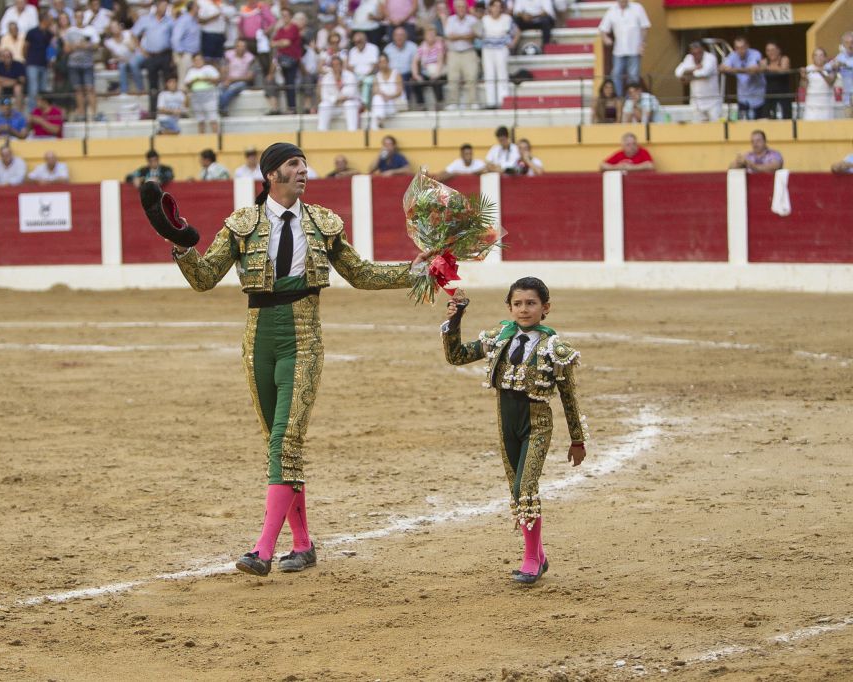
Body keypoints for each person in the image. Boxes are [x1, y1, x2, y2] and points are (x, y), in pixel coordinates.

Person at [139, 142, 430, 577]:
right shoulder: (243, 223)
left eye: (304, 165)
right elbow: (204, 279)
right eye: (294, 165)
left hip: (303, 338)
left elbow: (361, 272)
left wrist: (414, 269)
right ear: (271, 174)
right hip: (258, 339)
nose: (303, 171)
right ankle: (303, 544)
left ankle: (262, 549)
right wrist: (179, 245)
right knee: (278, 446)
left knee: (285, 442)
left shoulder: (323, 222)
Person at [441, 277, 587, 584]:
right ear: (509, 307)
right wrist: (455, 321)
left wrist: (577, 440)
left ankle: (531, 558)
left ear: (545, 308)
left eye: (531, 303)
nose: (524, 309)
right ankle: (539, 555)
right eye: (518, 304)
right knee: (515, 491)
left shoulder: (554, 348)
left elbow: (568, 397)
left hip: (537, 424)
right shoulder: (499, 338)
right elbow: (457, 356)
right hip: (505, 423)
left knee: (525, 488)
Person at [598, 0, 649, 97]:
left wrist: (642, 43)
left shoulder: (637, 8)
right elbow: (602, 29)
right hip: (618, 51)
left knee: (633, 76)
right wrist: (605, 38)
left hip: (634, 49)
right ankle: (619, 99)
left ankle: (631, 100)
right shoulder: (612, 10)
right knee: (616, 75)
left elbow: (645, 27)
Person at [132, 0, 173, 117]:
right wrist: (141, 50)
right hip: (151, 55)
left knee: (168, 83)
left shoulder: (169, 21)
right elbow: (133, 34)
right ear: (156, 6)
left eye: (166, 5)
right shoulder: (145, 20)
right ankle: (153, 111)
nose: (165, 8)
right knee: (153, 86)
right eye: (163, 5)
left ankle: (169, 110)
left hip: (165, 54)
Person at [65, 9, 99, 121]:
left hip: (87, 63)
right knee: (78, 89)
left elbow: (96, 46)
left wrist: (83, 46)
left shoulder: (91, 30)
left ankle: (94, 114)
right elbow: (66, 48)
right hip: (74, 64)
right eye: (77, 16)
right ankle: (81, 114)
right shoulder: (70, 31)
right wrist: (77, 46)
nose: (79, 18)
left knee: (90, 88)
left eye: (81, 16)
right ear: (74, 18)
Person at [720, 37, 766, 120]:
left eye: (742, 47)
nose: (740, 50)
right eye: (737, 48)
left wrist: (734, 70)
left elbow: (753, 70)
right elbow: (722, 68)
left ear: (747, 46)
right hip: (743, 98)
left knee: (760, 123)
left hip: (758, 97)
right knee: (743, 123)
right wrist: (740, 70)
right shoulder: (733, 55)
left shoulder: (755, 53)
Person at [444, 0, 478, 110]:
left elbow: (474, 36)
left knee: (471, 77)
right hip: (454, 53)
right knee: (452, 78)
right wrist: (465, 36)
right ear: (455, 8)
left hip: (469, 51)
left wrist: (458, 36)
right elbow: (449, 37)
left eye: (463, 6)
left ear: (466, 8)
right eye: (458, 7)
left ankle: (472, 102)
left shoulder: (472, 19)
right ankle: (453, 102)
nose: (461, 9)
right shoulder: (450, 20)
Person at [480, 0, 515, 109]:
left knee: (502, 74)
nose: (496, 9)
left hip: (501, 49)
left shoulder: (507, 18)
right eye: (494, 6)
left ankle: (502, 101)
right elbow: (479, 34)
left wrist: (512, 43)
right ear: (490, 8)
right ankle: (491, 102)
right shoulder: (484, 19)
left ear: (501, 8)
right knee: (489, 74)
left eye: (498, 6)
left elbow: (516, 31)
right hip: (487, 49)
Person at [675, 41, 720, 122]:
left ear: (703, 50)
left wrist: (688, 75)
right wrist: (695, 68)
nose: (696, 55)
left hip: (712, 102)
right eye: (694, 53)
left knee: (716, 128)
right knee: (698, 130)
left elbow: (704, 73)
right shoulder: (689, 58)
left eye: (699, 53)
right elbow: (678, 73)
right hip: (696, 102)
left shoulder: (710, 58)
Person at [271, 7, 303, 114]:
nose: (284, 17)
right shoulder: (280, 29)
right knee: (284, 83)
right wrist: (281, 42)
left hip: (292, 59)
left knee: (290, 83)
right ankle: (285, 107)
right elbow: (273, 43)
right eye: (283, 15)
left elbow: (287, 43)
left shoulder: (294, 27)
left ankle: (292, 107)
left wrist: (279, 43)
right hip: (282, 60)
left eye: (286, 15)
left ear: (290, 16)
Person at [317, 55, 360, 130]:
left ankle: (353, 132)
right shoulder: (326, 78)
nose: (336, 67)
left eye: (338, 65)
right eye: (333, 65)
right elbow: (324, 96)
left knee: (349, 104)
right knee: (323, 105)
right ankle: (322, 131)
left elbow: (351, 93)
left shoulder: (350, 75)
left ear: (342, 65)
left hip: (348, 103)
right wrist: (336, 99)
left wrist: (338, 98)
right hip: (334, 105)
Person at [24, 12, 54, 112]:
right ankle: (32, 112)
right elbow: (25, 47)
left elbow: (51, 48)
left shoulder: (49, 34)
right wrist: (27, 59)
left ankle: (42, 111)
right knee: (33, 89)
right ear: (44, 20)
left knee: (43, 90)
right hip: (32, 63)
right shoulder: (32, 32)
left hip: (44, 64)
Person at [410, 24, 445, 110]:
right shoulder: (422, 46)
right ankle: (421, 105)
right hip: (426, 72)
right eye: (429, 34)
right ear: (425, 36)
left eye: (433, 34)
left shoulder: (439, 45)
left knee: (437, 81)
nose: (431, 36)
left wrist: (436, 74)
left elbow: (440, 60)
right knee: (414, 81)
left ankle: (439, 103)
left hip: (437, 71)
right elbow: (414, 62)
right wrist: (416, 75)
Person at [184, 53, 220, 133]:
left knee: (213, 118)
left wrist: (205, 78)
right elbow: (187, 84)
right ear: (193, 61)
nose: (198, 61)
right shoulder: (191, 71)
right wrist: (194, 80)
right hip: (196, 97)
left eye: (200, 59)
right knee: (200, 120)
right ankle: (201, 140)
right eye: (196, 60)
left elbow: (217, 79)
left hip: (209, 96)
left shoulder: (209, 68)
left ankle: (216, 138)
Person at [369, 53, 406, 129]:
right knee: (377, 98)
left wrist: (388, 97)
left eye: (384, 61)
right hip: (383, 104)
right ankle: (379, 121)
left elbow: (399, 92)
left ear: (388, 62)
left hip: (394, 103)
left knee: (377, 103)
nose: (382, 64)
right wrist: (383, 96)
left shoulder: (396, 73)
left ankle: (377, 124)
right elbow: (375, 91)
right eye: (380, 62)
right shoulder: (377, 76)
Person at [219, 39, 256, 115]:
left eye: (243, 46)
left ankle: (220, 107)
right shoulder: (227, 55)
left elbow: (250, 77)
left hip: (242, 82)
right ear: (235, 47)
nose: (241, 48)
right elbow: (223, 70)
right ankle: (223, 109)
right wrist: (226, 80)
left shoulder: (251, 58)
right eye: (239, 46)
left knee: (233, 88)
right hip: (227, 80)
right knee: (219, 88)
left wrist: (233, 80)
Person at [801, 47, 836, 121]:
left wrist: (821, 72)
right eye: (816, 55)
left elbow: (831, 82)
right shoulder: (809, 69)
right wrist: (803, 77)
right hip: (812, 103)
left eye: (821, 55)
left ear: (825, 57)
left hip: (826, 103)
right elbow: (804, 86)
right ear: (813, 58)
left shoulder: (830, 68)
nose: (818, 58)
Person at [346, 30, 379, 105]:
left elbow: (374, 66)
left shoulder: (373, 48)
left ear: (365, 40)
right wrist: (357, 76)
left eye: (359, 41)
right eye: (355, 42)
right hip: (356, 76)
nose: (357, 43)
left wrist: (364, 77)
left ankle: (364, 103)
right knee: (351, 81)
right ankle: (355, 103)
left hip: (370, 75)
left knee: (367, 81)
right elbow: (350, 67)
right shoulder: (352, 51)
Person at [382, 26, 415, 101]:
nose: (399, 37)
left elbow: (417, 64)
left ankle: (405, 104)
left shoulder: (413, 47)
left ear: (406, 36)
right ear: (393, 37)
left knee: (405, 80)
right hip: (391, 75)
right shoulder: (388, 49)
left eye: (401, 35)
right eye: (397, 35)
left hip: (407, 74)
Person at [761, 41, 792, 120]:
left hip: (784, 95)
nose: (771, 52)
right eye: (768, 50)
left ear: (778, 50)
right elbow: (759, 68)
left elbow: (784, 70)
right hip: (769, 95)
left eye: (773, 50)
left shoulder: (784, 59)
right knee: (767, 117)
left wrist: (767, 68)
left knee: (786, 117)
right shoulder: (764, 61)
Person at [0, 48, 26, 113]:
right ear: (2, 58)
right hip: (3, 86)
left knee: (18, 88)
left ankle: (18, 114)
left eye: (8, 56)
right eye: (4, 56)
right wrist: (12, 81)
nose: (6, 58)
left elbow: (22, 80)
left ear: (12, 56)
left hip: (15, 87)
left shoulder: (19, 65)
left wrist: (3, 80)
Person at [832, 32, 853, 118]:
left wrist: (845, 65)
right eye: (847, 43)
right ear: (843, 45)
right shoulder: (840, 57)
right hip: (847, 100)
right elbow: (828, 66)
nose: (850, 45)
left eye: (852, 42)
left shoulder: (842, 61)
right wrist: (834, 66)